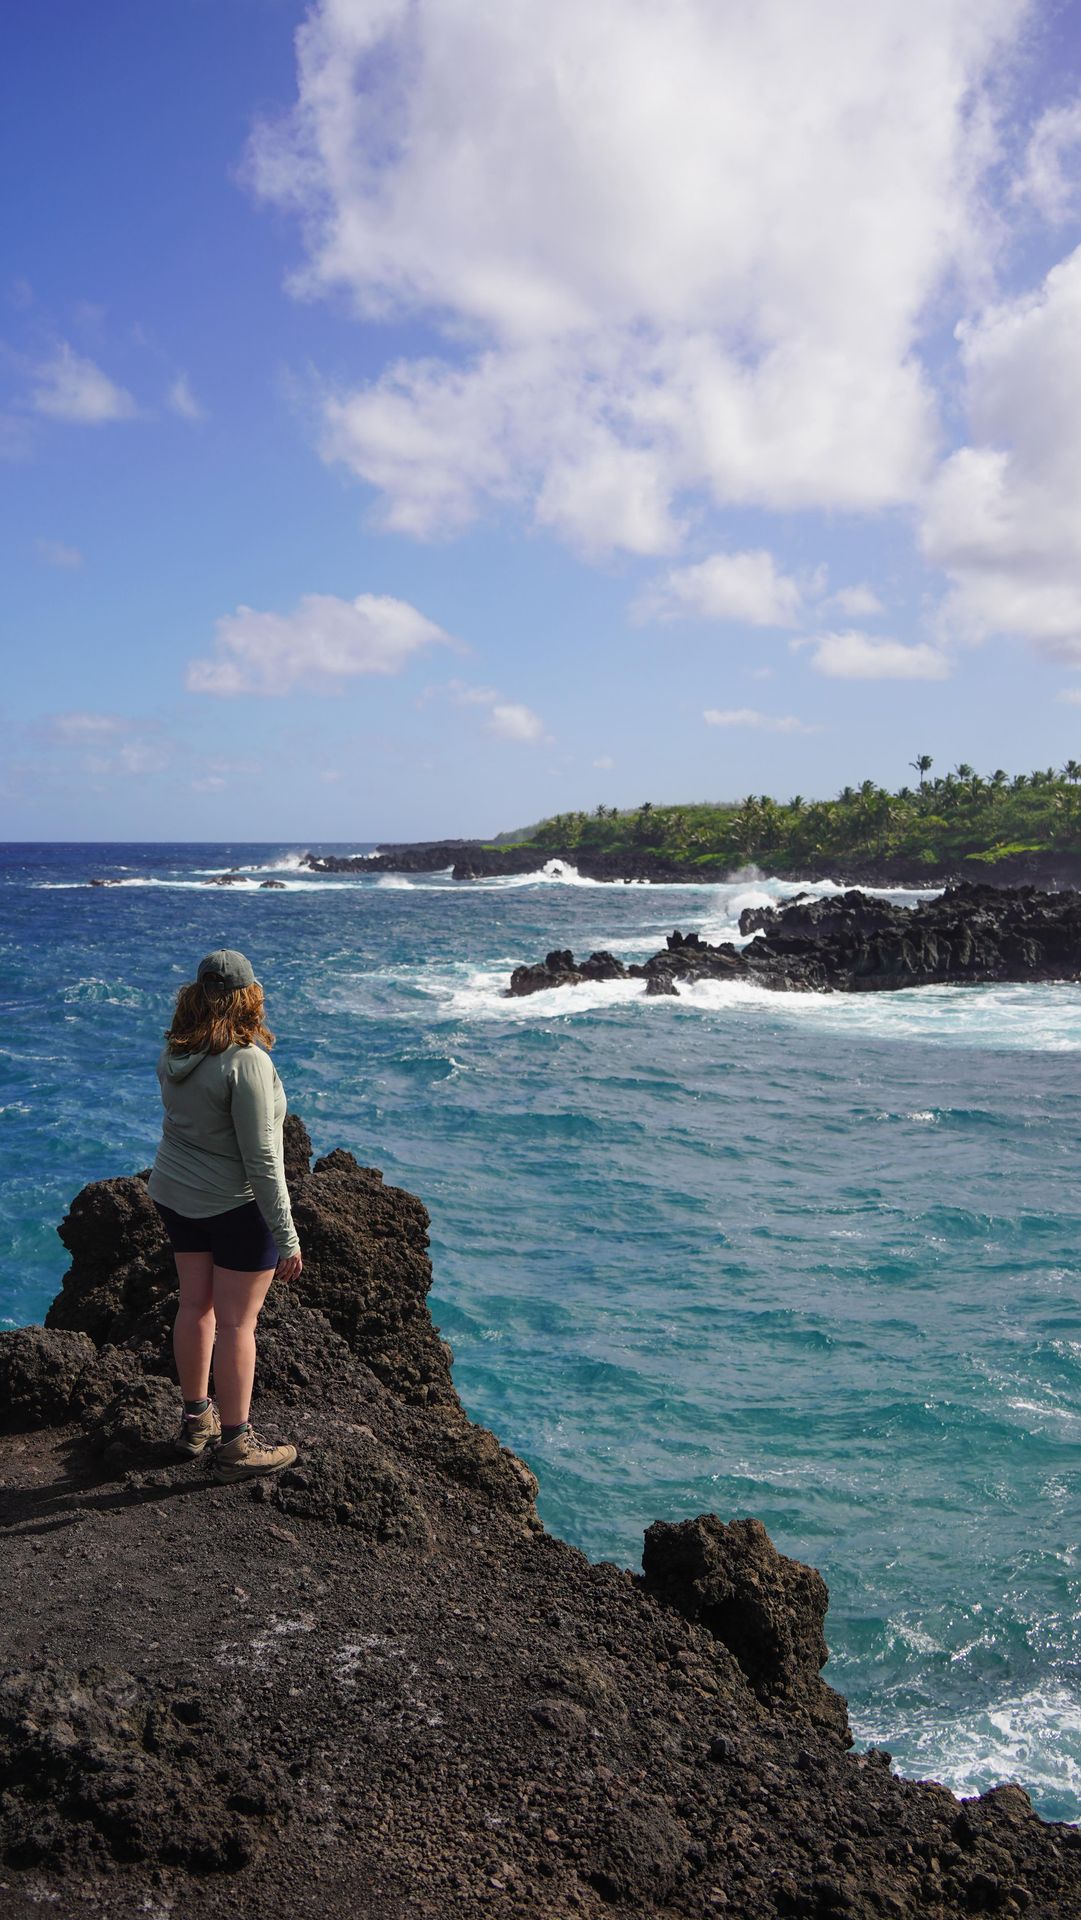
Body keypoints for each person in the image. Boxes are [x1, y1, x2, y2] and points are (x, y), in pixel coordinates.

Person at [147, 948, 302, 1482]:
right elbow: (263, 1159)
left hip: (175, 1193)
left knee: (195, 1307)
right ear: (248, 996)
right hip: (235, 1206)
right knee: (238, 1322)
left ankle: (196, 1422)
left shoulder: (175, 1052)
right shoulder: (247, 1062)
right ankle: (236, 1443)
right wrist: (287, 1235)